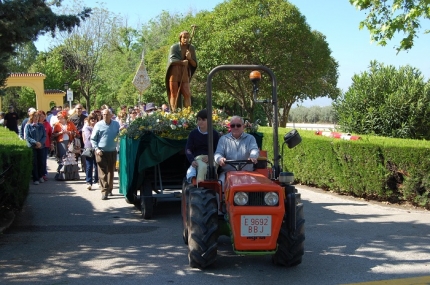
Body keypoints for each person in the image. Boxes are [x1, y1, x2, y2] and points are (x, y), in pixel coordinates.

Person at [214, 116, 259, 188]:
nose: (235, 127)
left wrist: (253, 156)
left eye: (238, 125)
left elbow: (254, 149)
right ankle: (221, 199)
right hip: (227, 173)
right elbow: (218, 153)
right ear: (230, 127)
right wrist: (220, 159)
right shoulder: (223, 139)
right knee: (220, 185)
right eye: (233, 125)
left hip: (247, 173)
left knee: (256, 187)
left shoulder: (250, 138)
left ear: (243, 127)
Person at [91, 109, 120, 200]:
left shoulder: (116, 124)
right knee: (102, 172)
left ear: (111, 115)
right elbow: (93, 139)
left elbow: (119, 135)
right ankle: (104, 191)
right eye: (103, 114)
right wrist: (96, 149)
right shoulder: (98, 125)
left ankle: (110, 189)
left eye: (107, 114)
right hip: (101, 152)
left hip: (112, 151)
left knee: (111, 172)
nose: (104, 116)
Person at [165, 30, 198, 112]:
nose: (186, 39)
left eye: (187, 38)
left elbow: (194, 64)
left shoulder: (191, 48)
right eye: (184, 37)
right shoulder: (174, 47)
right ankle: (174, 113)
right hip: (174, 72)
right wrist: (181, 62)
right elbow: (171, 61)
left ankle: (188, 113)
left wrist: (190, 58)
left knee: (187, 94)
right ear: (180, 38)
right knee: (174, 93)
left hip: (184, 72)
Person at [185, 109, 219, 183]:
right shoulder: (193, 133)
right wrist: (192, 160)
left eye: (203, 119)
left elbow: (218, 149)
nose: (200, 122)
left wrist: (211, 156)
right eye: (199, 119)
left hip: (212, 157)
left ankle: (215, 188)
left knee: (212, 168)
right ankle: (200, 187)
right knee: (203, 167)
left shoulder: (215, 134)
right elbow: (188, 149)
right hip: (199, 157)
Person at [24, 110, 46, 185]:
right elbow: (27, 137)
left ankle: (40, 176)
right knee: (34, 163)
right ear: (31, 117)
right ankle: (35, 178)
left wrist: (40, 143)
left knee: (41, 162)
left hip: (41, 146)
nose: (36, 118)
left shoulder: (41, 126)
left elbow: (44, 136)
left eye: (37, 117)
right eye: (35, 117)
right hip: (32, 147)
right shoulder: (28, 126)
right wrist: (35, 142)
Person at [82, 114, 99, 190]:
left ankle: (96, 181)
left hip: (97, 148)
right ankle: (88, 181)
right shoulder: (87, 128)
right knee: (89, 166)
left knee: (97, 166)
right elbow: (89, 137)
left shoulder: (98, 127)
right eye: (91, 119)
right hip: (89, 148)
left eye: (95, 119)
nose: (93, 120)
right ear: (89, 120)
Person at [38, 110, 53, 181]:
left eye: (43, 116)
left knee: (43, 160)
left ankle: (43, 174)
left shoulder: (47, 124)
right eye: (40, 116)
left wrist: (51, 144)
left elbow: (50, 134)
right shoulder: (36, 124)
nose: (42, 117)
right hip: (38, 144)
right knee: (38, 160)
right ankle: (38, 174)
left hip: (46, 144)